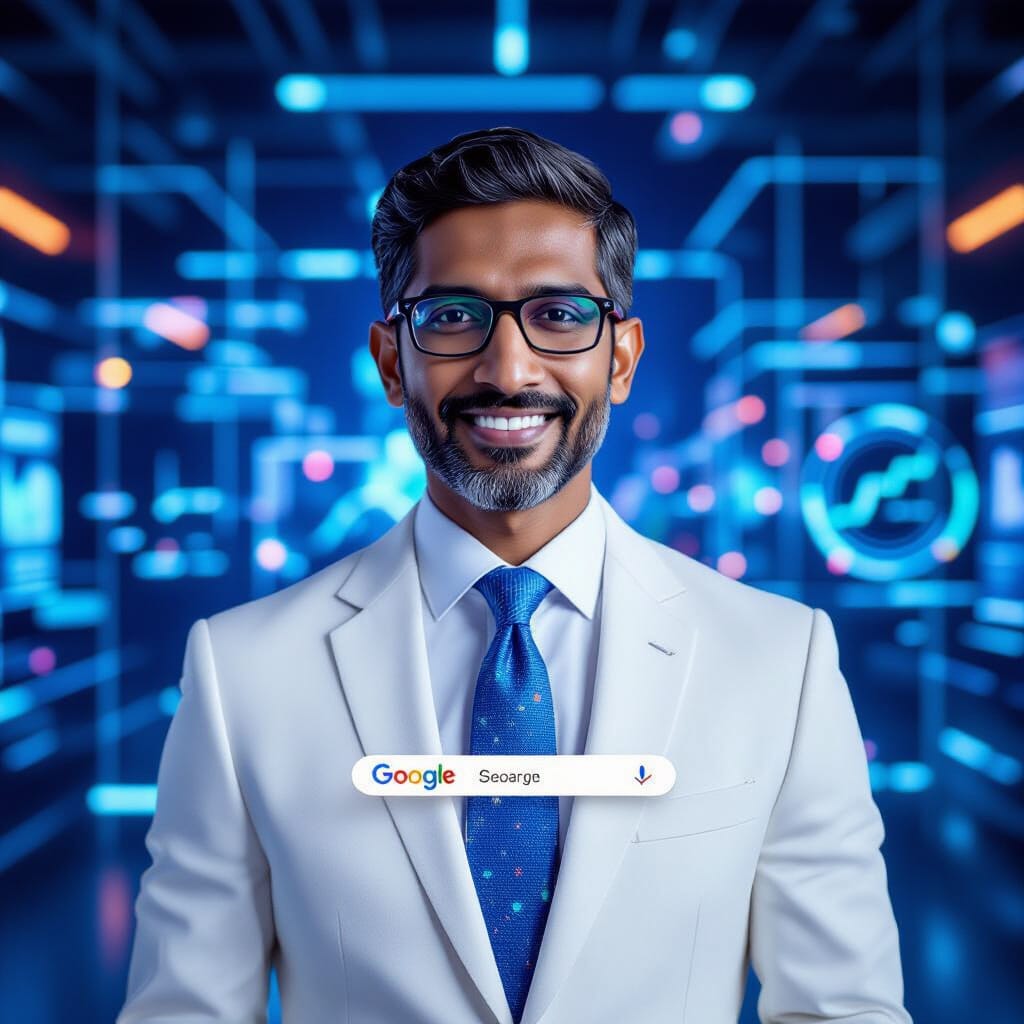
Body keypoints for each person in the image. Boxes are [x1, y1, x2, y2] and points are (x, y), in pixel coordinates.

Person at [117, 127, 911, 1024]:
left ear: (620, 357)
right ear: (390, 359)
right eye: (453, 315)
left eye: (560, 315)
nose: (508, 369)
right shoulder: (242, 672)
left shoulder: (778, 660)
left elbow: (844, 1011)